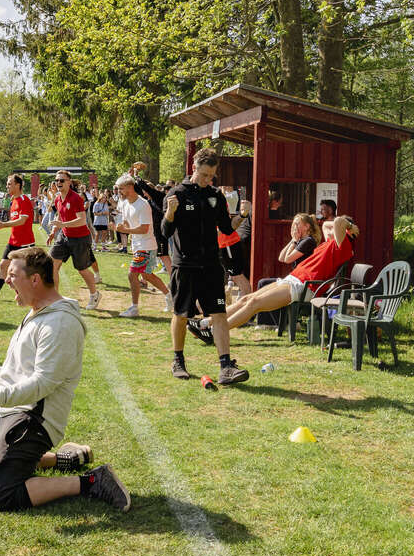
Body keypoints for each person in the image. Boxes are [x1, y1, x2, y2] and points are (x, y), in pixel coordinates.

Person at [0, 247, 130, 513]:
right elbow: (15, 370)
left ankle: (92, 480)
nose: (7, 280)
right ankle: (65, 459)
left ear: (35, 279)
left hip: (34, 420)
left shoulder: (58, 324)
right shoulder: (37, 312)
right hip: (14, 410)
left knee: (1, 496)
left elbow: (41, 385)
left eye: (13, 275)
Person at [161, 148, 248, 384]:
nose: (209, 180)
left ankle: (226, 366)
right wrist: (170, 213)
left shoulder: (215, 196)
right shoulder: (176, 194)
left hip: (210, 264)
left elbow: (227, 228)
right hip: (185, 265)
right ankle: (178, 360)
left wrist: (242, 215)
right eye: (205, 175)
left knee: (219, 313)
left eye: (212, 176)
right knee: (181, 314)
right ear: (194, 169)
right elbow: (165, 232)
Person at [190, 215, 358, 335]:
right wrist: (343, 224)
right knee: (245, 299)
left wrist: (348, 224)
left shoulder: (343, 247)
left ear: (347, 232)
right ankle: (207, 322)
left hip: (304, 285)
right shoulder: (332, 243)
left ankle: (216, 332)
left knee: (254, 303)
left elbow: (337, 222)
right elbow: (327, 226)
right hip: (294, 279)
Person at [112, 174, 169, 317]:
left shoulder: (143, 205)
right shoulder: (125, 203)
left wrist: (126, 230)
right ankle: (170, 296)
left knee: (132, 275)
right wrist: (120, 226)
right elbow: (126, 223)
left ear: (130, 187)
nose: (119, 192)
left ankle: (134, 307)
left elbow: (144, 228)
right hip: (138, 245)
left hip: (146, 245)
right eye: (118, 189)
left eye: (121, 189)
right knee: (147, 275)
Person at [253, 213, 321, 326]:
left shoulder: (308, 241)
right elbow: (281, 258)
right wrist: (292, 240)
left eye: (297, 224)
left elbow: (288, 259)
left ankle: (283, 323)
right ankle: (267, 323)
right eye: (293, 224)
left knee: (264, 284)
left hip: (301, 284)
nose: (294, 227)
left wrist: (294, 241)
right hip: (296, 280)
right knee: (263, 283)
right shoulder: (300, 240)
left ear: (307, 226)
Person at [46, 170, 101, 309]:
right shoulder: (58, 198)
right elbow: (59, 215)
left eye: (62, 180)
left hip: (80, 239)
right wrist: (54, 231)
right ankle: (55, 299)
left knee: (82, 269)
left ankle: (95, 295)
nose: (58, 183)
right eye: (56, 181)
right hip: (64, 236)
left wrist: (62, 225)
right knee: (52, 265)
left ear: (69, 182)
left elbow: (82, 220)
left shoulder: (76, 198)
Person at [0, 174, 35, 301]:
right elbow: (15, 220)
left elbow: (22, 221)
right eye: (7, 184)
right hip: (13, 240)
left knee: (22, 271)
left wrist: (4, 224)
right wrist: (4, 223)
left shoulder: (24, 200)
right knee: (3, 265)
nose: (7, 186)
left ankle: (29, 293)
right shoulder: (14, 200)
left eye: (10, 184)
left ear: (18, 185)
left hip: (24, 242)